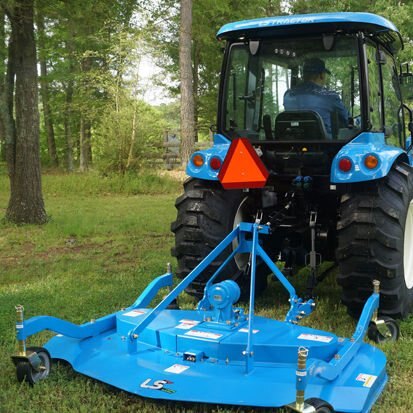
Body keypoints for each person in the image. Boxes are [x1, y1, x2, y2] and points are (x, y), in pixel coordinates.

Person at [283, 58, 349, 138]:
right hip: (325, 146)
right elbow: (346, 120)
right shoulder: (330, 96)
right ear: (321, 75)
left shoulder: (288, 95)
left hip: (293, 144)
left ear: (304, 74)